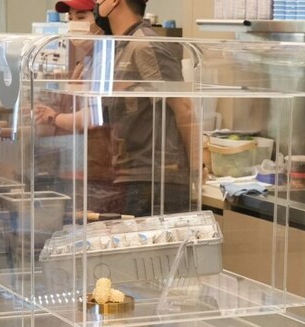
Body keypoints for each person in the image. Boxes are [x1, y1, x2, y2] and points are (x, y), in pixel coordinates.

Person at [36, 0, 194, 218]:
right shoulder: (119, 47)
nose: (97, 3)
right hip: (130, 175)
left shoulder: (145, 45)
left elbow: (184, 109)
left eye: (81, 16)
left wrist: (197, 169)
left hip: (155, 177)